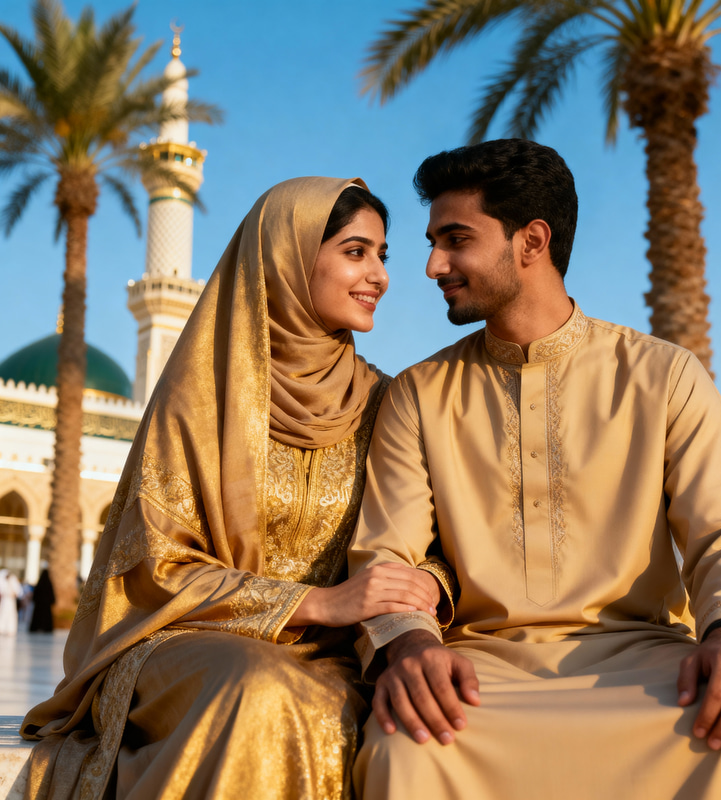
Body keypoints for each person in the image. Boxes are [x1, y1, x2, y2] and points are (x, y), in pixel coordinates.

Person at [349, 139, 721, 799]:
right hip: (477, 669)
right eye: (433, 242)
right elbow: (389, 552)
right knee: (406, 747)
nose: (432, 265)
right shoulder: (419, 393)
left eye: (455, 240)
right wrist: (410, 647)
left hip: (649, 655)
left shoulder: (663, 375)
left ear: (532, 241)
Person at [21, 177, 454, 799]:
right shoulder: (201, 399)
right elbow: (155, 567)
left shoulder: (384, 403)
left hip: (334, 653)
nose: (380, 276)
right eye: (355, 252)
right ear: (286, 258)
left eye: (382, 255)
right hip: (184, 642)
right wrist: (316, 603)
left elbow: (430, 541)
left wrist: (423, 587)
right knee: (257, 690)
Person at [28, 567, 54, 633]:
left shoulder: (39, 584)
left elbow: (35, 594)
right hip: (46, 605)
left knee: (38, 617)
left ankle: (37, 627)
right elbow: (51, 594)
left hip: (39, 605)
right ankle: (46, 628)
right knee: (46, 616)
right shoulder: (49, 585)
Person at [0, 568, 22, 635]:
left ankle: (10, 629)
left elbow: (18, 592)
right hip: (4, 601)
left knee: (11, 615)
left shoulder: (13, 580)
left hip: (11, 601)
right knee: (3, 614)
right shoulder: (3, 581)